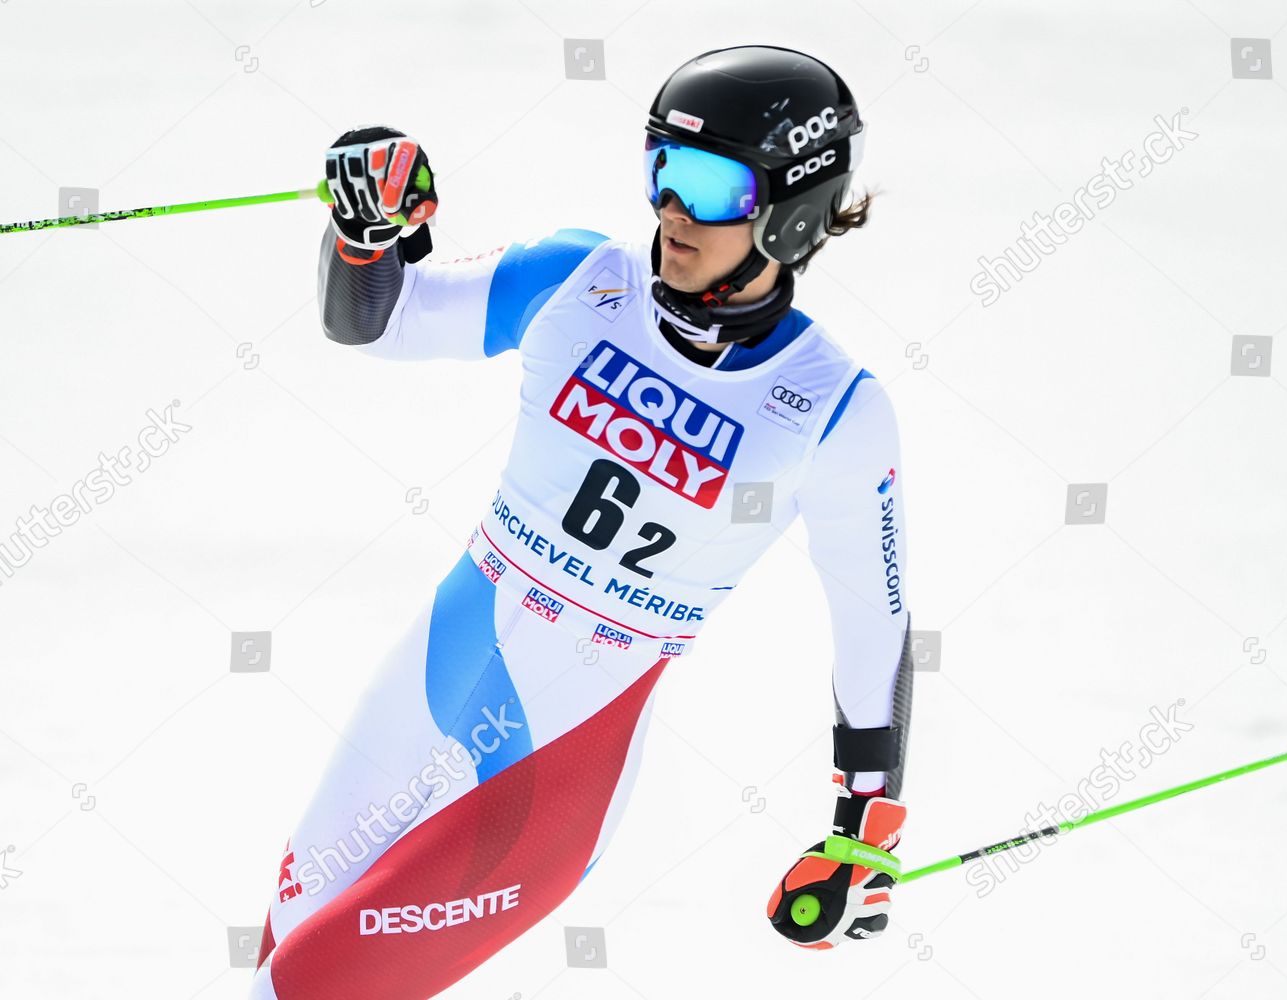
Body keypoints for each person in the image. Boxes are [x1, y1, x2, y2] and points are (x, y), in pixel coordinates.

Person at [249, 44, 915, 999]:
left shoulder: (835, 410)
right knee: (274, 962)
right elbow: (377, 321)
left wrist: (869, 827)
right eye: (661, 168)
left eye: (710, 182)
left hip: (550, 777)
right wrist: (364, 233)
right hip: (425, 688)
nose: (672, 209)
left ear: (792, 210)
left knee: (301, 990)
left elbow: (875, 628)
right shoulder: (577, 280)